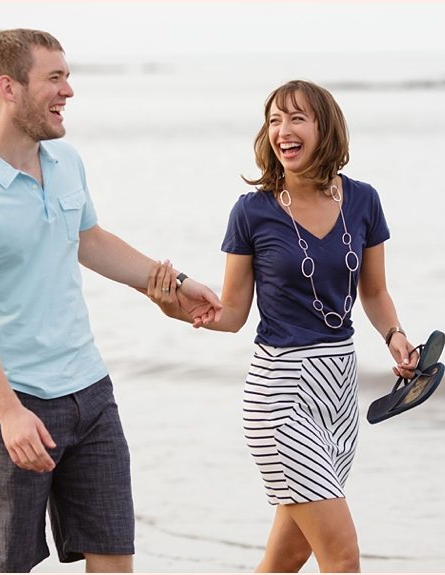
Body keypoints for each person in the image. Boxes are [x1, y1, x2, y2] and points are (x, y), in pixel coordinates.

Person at [0, 29, 222, 573]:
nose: (69, 91)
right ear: (8, 87)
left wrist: (174, 283)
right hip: (13, 405)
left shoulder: (65, 162)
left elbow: (89, 240)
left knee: (114, 557)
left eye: (68, 76)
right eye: (55, 78)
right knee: (4, 566)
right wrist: (9, 411)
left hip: (91, 393)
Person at [146, 79, 419, 572]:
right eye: (274, 120)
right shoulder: (252, 212)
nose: (283, 131)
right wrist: (175, 309)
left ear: (325, 128)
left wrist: (395, 336)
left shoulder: (364, 201)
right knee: (342, 555)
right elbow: (231, 314)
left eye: (296, 118)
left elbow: (374, 293)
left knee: (288, 556)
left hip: (339, 393)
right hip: (280, 395)